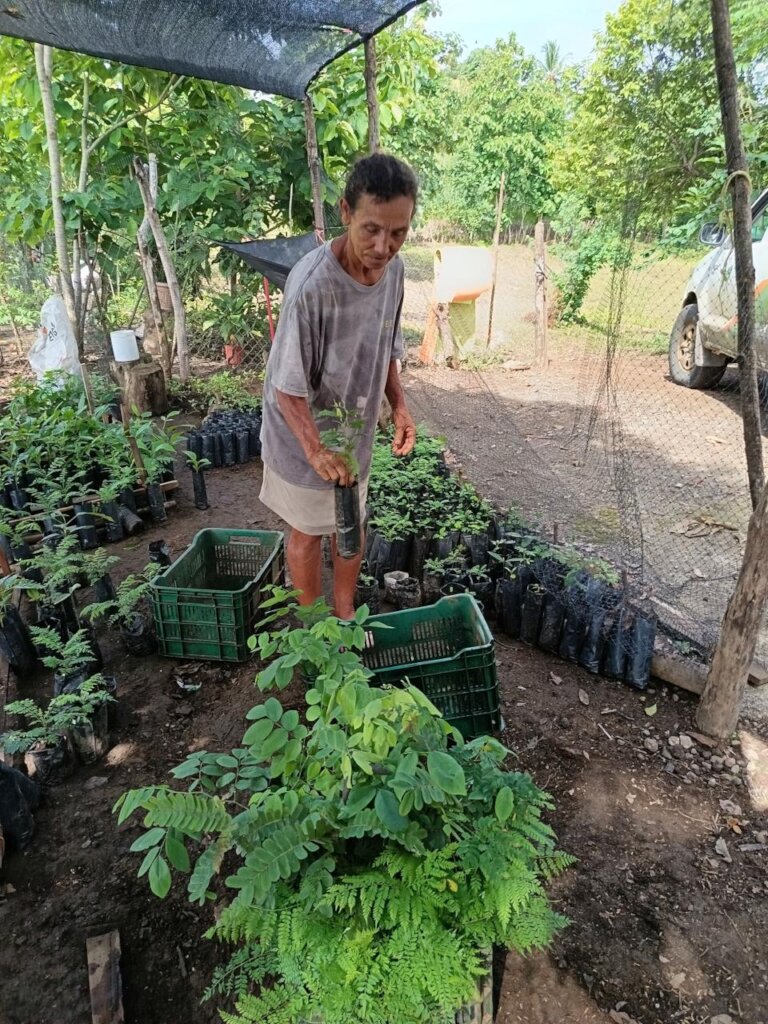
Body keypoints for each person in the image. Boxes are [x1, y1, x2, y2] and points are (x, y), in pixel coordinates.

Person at [259, 152, 418, 619]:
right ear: (345, 212)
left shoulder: (396, 272)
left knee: (351, 520)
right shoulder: (311, 286)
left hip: (354, 430)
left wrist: (400, 406)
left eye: (398, 232)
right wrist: (315, 450)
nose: (383, 246)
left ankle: (344, 613)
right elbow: (285, 386)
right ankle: (314, 627)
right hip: (302, 431)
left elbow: (386, 342)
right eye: (371, 228)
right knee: (309, 530)